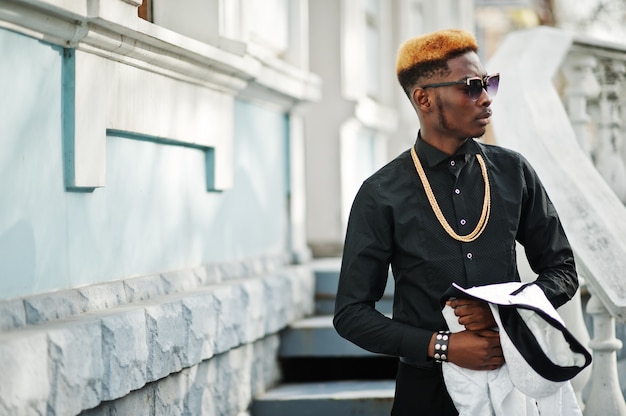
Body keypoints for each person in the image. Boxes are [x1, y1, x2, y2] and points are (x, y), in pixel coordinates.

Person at [333, 28, 579, 416]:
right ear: (424, 98)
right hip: (427, 395)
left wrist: (505, 312)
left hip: (517, 381)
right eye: (470, 87)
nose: (486, 99)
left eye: (488, 84)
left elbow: (562, 270)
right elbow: (352, 314)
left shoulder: (513, 171)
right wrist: (442, 344)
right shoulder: (381, 192)